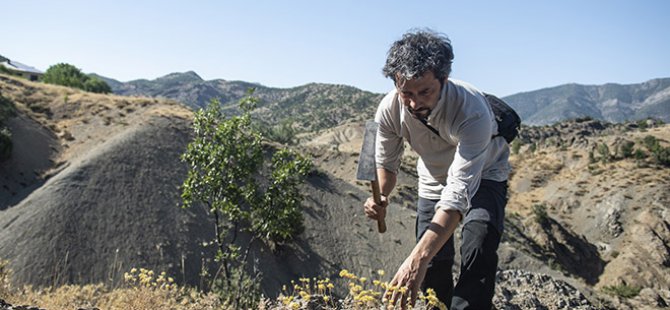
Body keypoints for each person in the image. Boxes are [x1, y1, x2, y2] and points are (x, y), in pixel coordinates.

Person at [363, 29, 511, 309]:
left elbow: (458, 194)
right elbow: (387, 162)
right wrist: (380, 196)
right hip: (433, 178)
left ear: (444, 79)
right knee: (433, 263)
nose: (415, 103)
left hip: (483, 174)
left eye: (425, 92)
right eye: (406, 93)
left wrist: (415, 259)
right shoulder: (389, 109)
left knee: (478, 243)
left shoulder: (472, 110)